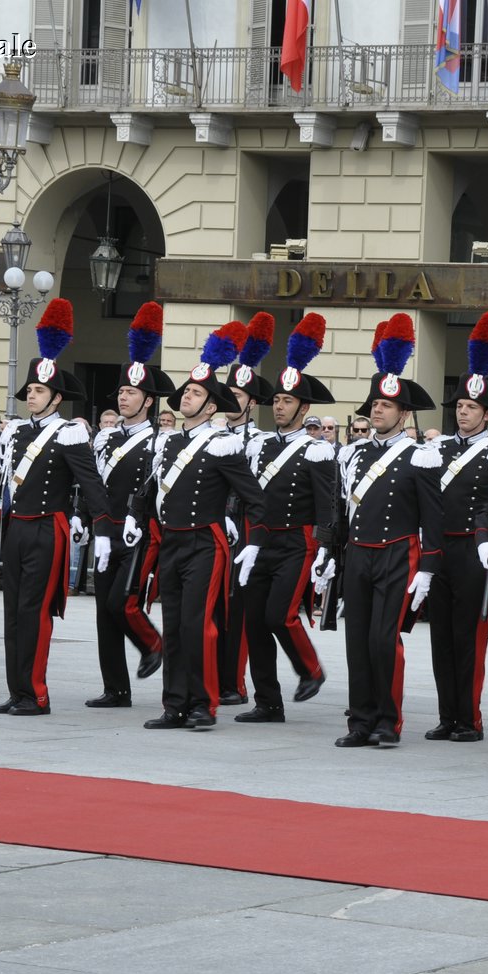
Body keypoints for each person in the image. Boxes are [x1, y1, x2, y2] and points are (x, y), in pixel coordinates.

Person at [0, 299, 111, 716]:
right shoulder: (13, 432)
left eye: (39, 391)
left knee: (35, 613)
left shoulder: (68, 434)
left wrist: (100, 527)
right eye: (29, 390)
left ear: (55, 397)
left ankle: (36, 694)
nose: (31, 396)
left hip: (48, 529)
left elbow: (92, 484)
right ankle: (17, 691)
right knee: (12, 612)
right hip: (15, 527)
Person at [141, 321, 268, 731]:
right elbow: (152, 492)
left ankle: (204, 704)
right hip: (172, 541)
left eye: (195, 393)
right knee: (174, 624)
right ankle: (174, 704)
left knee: (199, 624)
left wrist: (251, 542)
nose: (187, 397)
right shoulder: (168, 441)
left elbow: (255, 498)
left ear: (212, 406)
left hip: (205, 542)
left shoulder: (222, 443)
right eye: (187, 392)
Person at [325, 313, 442, 748]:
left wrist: (429, 567)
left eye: (385, 406)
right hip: (358, 552)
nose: (377, 410)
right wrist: (327, 552)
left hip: (398, 552)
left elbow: (434, 517)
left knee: (382, 640)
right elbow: (341, 510)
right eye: (374, 405)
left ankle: (387, 722)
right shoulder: (351, 456)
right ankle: (360, 720)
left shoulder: (421, 455)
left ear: (403, 413)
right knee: (357, 640)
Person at [237, 313, 336, 723]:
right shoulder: (258, 445)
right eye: (277, 400)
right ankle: (267, 702)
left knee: (279, 614)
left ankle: (310, 669)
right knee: (255, 623)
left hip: (296, 542)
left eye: (288, 401)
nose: (279, 406)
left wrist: (326, 546)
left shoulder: (315, 450)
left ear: (304, 407)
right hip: (259, 541)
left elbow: (327, 504)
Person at [427, 310, 488, 743]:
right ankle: (447, 716)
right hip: (441, 549)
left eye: (471, 407)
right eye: (459, 406)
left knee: (469, 639)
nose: (462, 413)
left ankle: (470, 718)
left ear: (486, 413)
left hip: (474, 552)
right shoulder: (438, 449)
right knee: (440, 637)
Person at [87, 302, 176, 708]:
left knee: (119, 601)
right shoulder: (104, 438)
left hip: (137, 530)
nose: (123, 398)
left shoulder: (159, 441)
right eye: (122, 391)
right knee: (103, 611)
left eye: (132, 393)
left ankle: (151, 643)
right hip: (106, 528)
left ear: (148, 401)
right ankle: (115, 689)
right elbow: (92, 485)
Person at [214, 312, 274, 708]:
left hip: (244, 530)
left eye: (236, 397)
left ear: (252, 403)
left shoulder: (262, 442)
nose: (228, 402)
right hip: (211, 525)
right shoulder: (214, 433)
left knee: (237, 607)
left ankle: (233, 683)